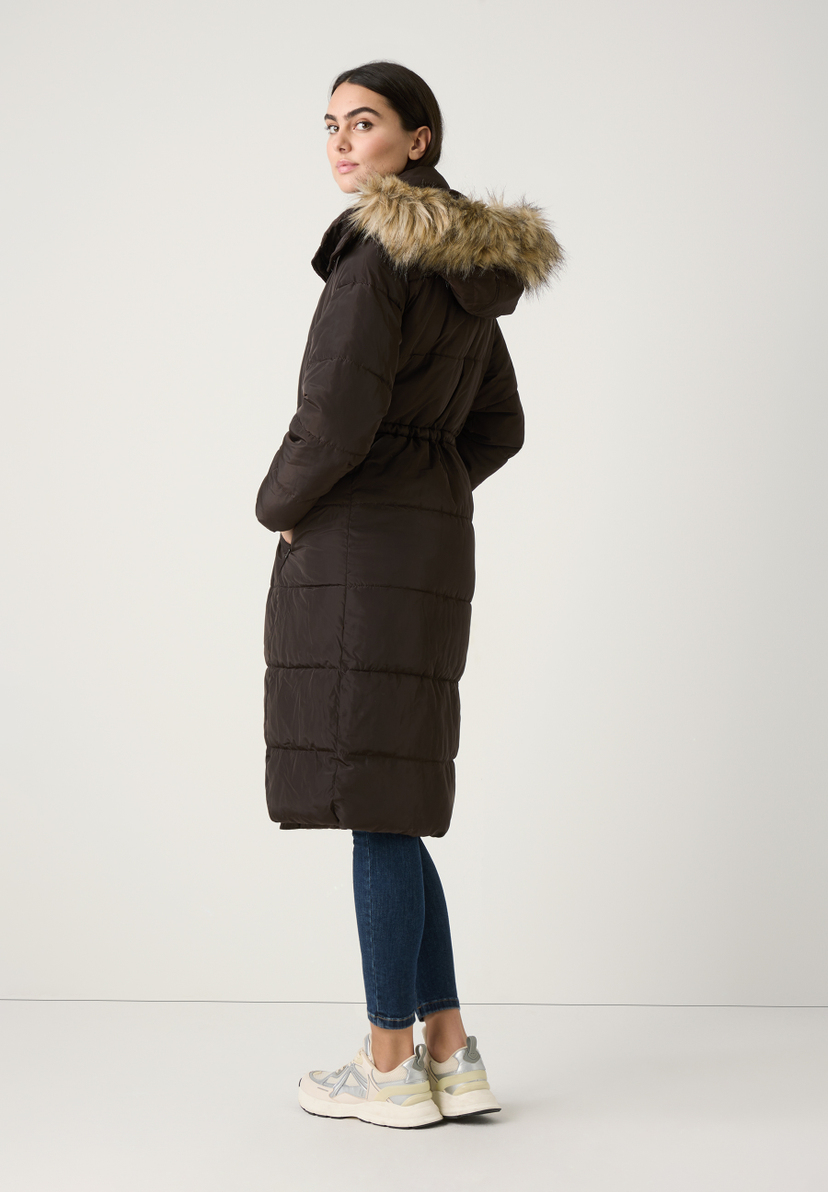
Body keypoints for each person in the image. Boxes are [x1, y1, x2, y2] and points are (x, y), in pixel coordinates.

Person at [255, 61, 563, 1129]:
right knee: (395, 799)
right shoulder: (465, 267)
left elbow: (335, 415)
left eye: (365, 123)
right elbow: (499, 424)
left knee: (375, 807)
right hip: (427, 550)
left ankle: (388, 1066)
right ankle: (449, 1048)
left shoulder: (376, 251)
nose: (342, 143)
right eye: (330, 125)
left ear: (418, 140)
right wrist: (426, 486)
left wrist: (278, 503)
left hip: (356, 553)